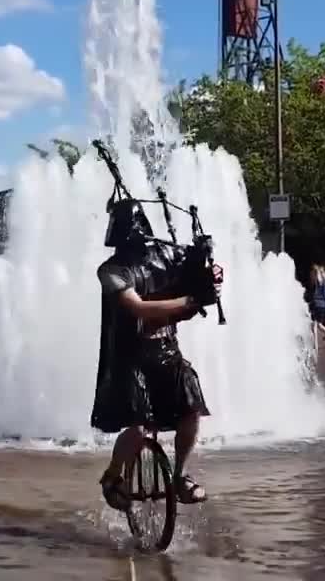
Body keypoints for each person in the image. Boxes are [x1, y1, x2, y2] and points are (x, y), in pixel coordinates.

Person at [92, 199, 222, 511]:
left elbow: (198, 275)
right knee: (140, 427)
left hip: (166, 350)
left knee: (191, 409)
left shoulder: (167, 256)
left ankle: (179, 477)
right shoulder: (111, 270)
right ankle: (112, 476)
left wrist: (209, 271)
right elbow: (137, 308)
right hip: (130, 355)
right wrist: (192, 299)